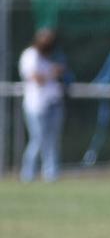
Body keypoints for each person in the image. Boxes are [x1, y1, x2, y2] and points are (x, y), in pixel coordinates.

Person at [19, 28, 67, 182]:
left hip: (53, 102)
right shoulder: (30, 55)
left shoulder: (51, 56)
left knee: (52, 139)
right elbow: (36, 78)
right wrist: (52, 73)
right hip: (36, 106)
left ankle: (51, 174)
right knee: (38, 139)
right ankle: (28, 173)